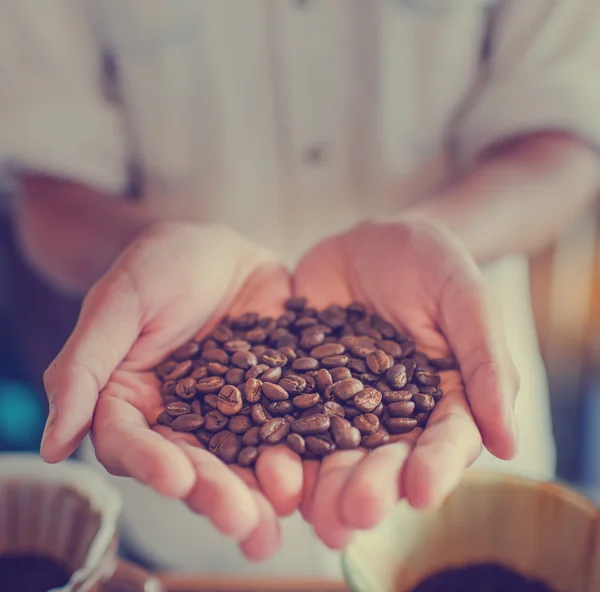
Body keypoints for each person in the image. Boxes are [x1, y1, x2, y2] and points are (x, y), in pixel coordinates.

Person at [1, 0, 600, 579]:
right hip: (178, 513)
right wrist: (140, 253)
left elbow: (565, 145)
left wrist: (441, 239)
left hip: (458, 446)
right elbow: (50, 192)